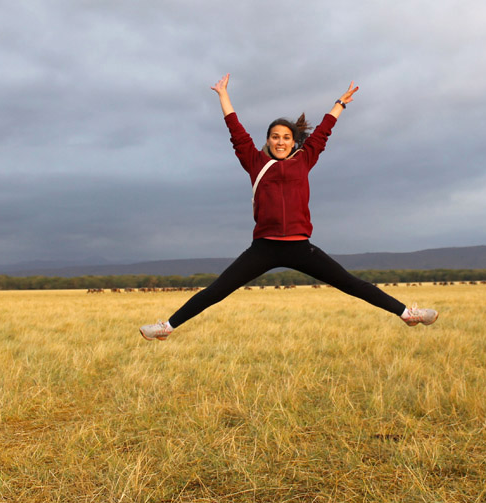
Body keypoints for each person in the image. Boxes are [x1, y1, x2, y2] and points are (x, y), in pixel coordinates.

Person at [140, 74, 438, 341]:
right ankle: (166, 327)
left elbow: (322, 133)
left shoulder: (304, 159)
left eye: (286, 138)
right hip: (264, 248)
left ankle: (407, 315)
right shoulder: (255, 161)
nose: (280, 142)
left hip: (299, 246)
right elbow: (236, 131)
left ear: (294, 142)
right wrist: (223, 95)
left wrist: (339, 104)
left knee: (351, 283)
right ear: (267, 141)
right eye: (275, 137)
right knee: (217, 290)